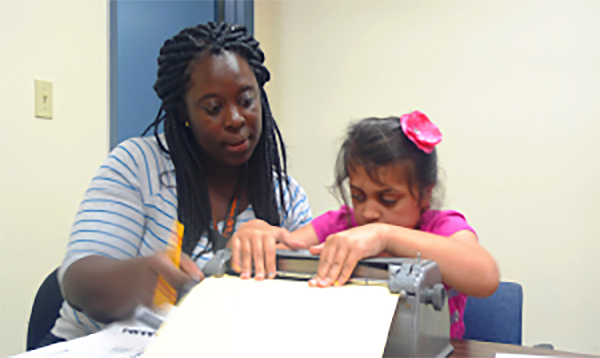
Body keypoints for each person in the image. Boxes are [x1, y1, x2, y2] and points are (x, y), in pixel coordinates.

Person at [42, 22, 311, 346]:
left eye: (246, 100)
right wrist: (138, 280)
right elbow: (78, 283)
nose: (235, 119)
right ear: (185, 112)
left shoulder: (286, 196)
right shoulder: (136, 166)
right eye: (214, 108)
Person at [230, 111, 499, 339]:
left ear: (425, 194)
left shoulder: (441, 227)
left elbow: (485, 277)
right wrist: (259, 236)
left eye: (388, 199)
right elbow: (288, 248)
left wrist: (385, 235)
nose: (369, 212)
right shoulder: (341, 224)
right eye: (358, 196)